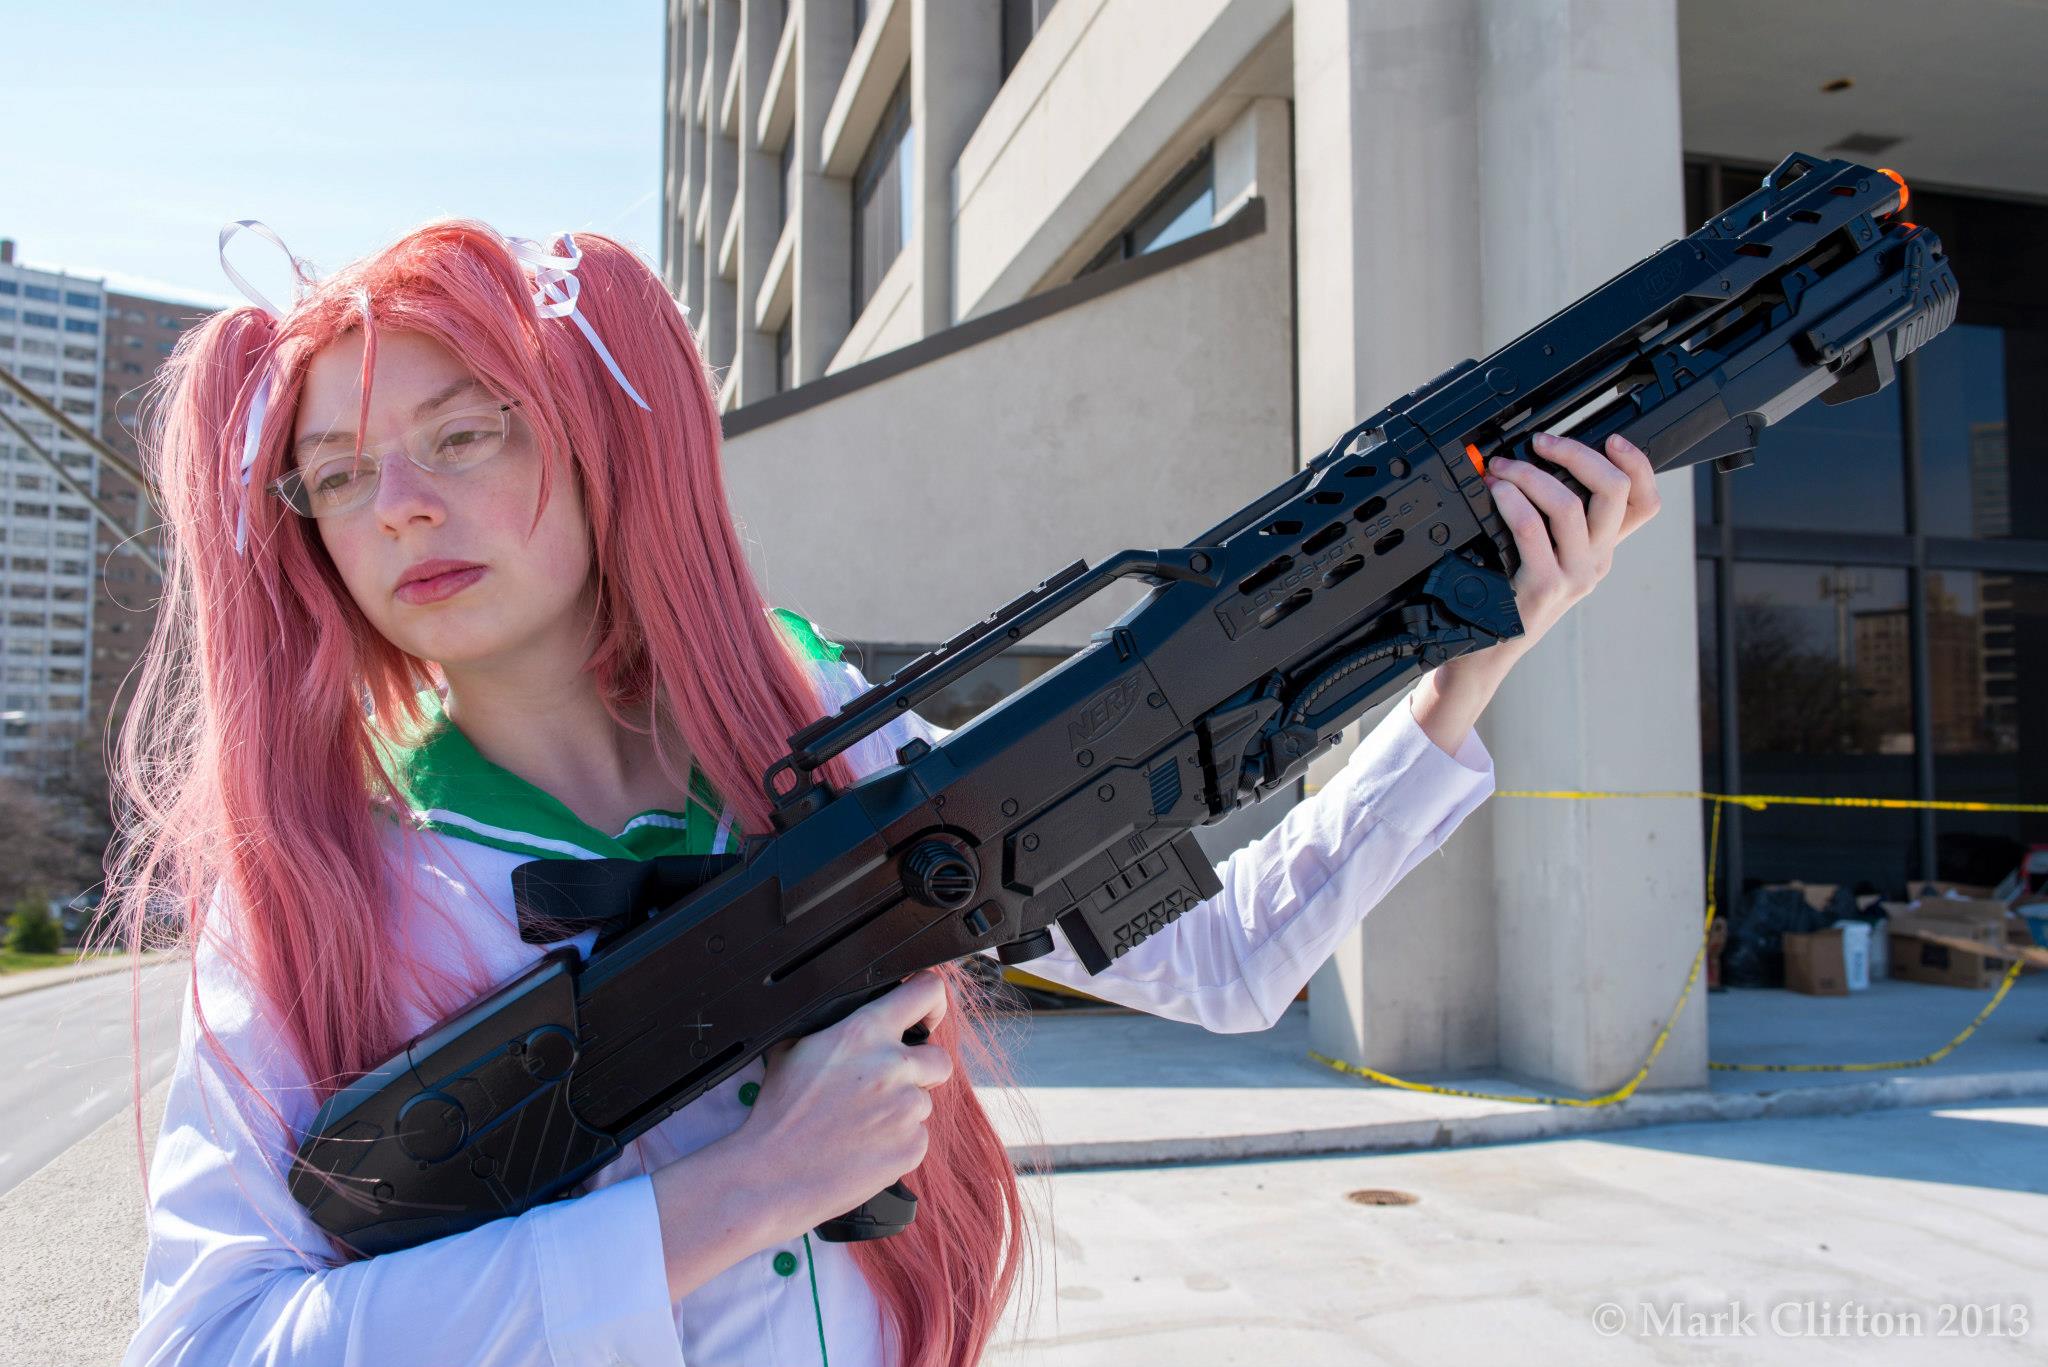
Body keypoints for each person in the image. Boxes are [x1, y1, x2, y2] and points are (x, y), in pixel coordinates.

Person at [107, 217, 1660, 1367]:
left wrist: (1466, 665)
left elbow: (1230, 961)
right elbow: (209, 1342)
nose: (401, 506)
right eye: (338, 473)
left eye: (464, 432)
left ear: (593, 450)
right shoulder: (328, 888)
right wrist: (742, 1190)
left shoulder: (824, 736)